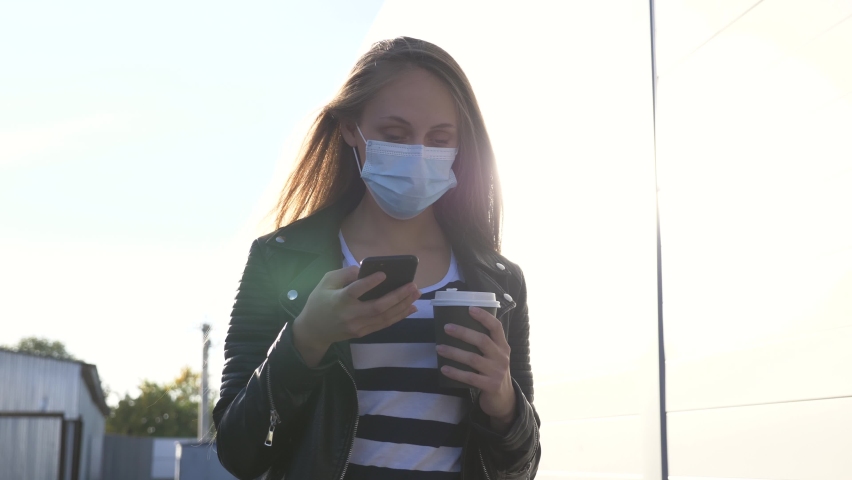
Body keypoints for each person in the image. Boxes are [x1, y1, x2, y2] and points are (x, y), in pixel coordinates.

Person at [213, 36, 541, 480]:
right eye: (395, 135)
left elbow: (522, 469)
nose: (419, 153)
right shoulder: (280, 260)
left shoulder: (500, 281)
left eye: (440, 137)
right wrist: (306, 339)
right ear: (351, 128)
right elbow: (238, 451)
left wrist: (504, 402)